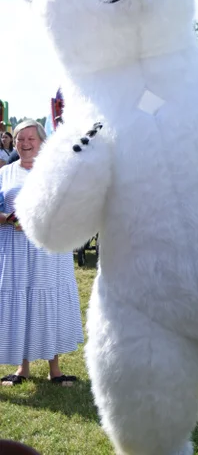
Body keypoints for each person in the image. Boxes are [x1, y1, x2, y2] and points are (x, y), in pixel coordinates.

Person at [0, 120, 83, 386]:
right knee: (21, 302)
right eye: (19, 139)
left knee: (49, 301)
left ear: (42, 142)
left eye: (30, 139)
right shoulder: (5, 173)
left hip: (48, 252)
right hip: (14, 250)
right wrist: (9, 218)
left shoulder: (55, 172)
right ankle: (21, 367)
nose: (23, 144)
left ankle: (55, 369)